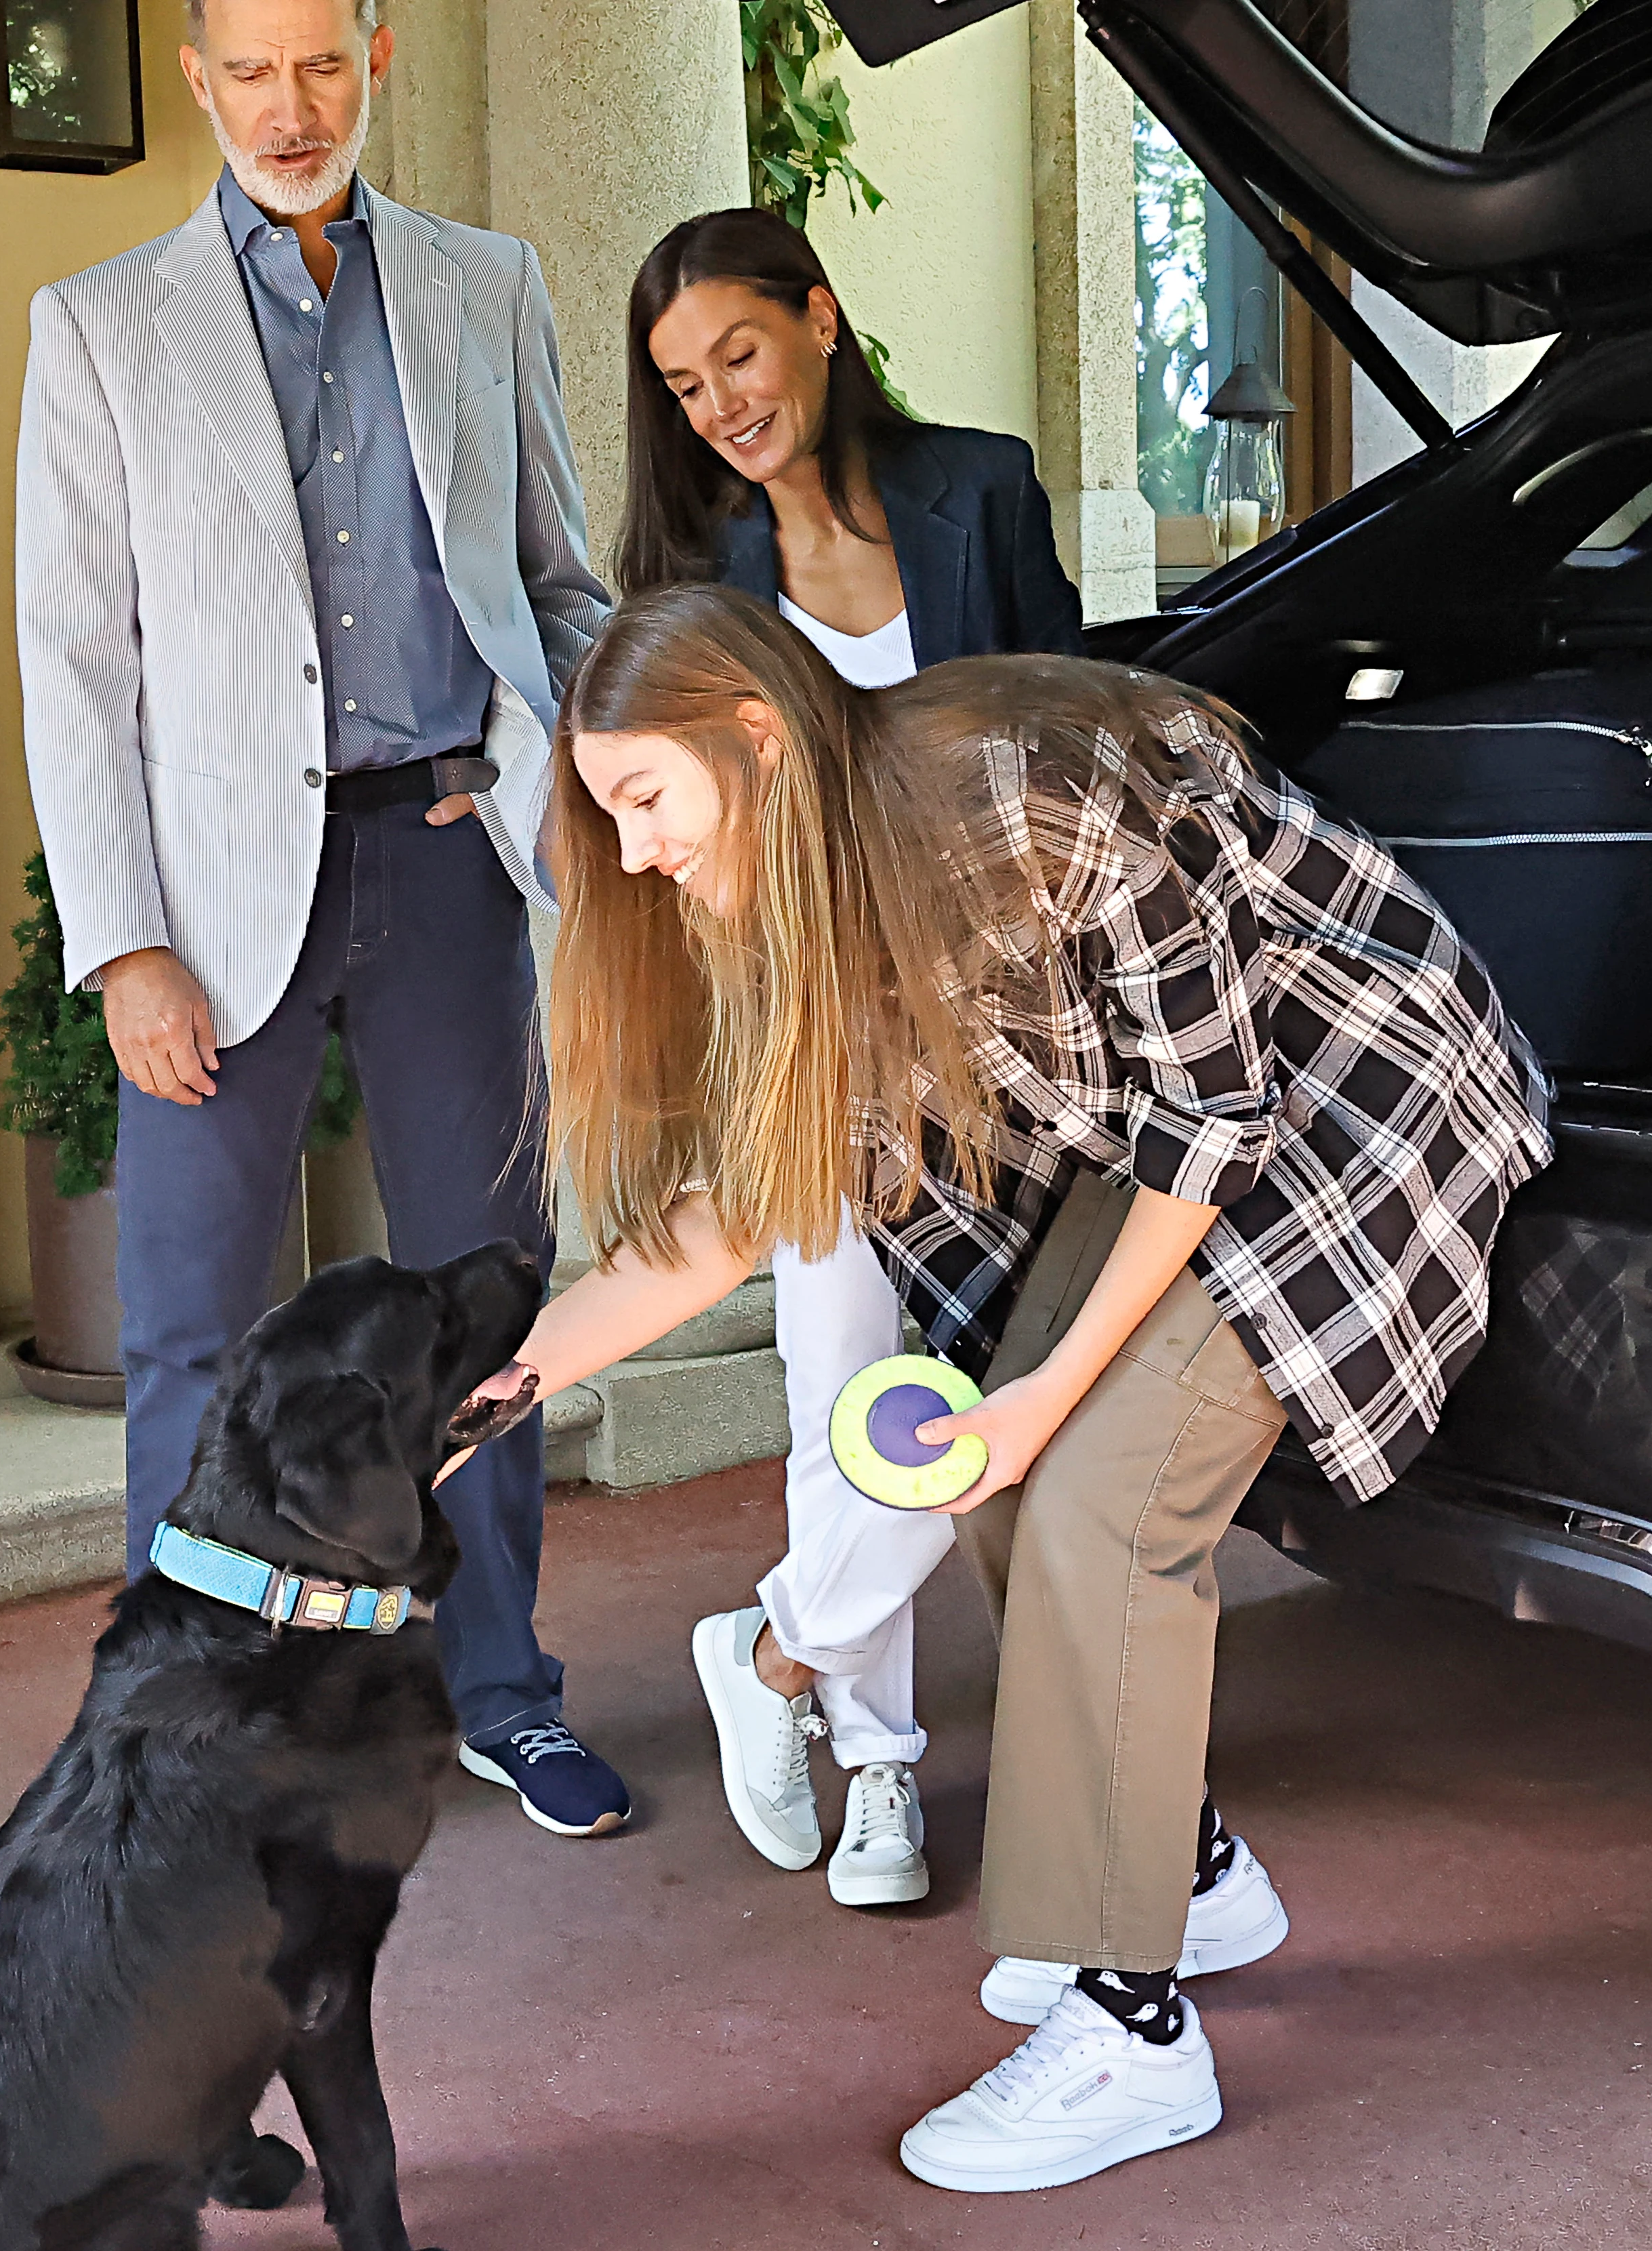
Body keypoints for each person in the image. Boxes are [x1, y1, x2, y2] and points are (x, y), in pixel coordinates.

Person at [466, 584, 1549, 2191]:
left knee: (1102, 1499)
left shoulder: (1022, 798)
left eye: (643, 799)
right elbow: (737, 1207)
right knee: (980, 1457)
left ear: (753, 738)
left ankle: (1134, 2036)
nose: (629, 853)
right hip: (1171, 1141)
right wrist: (498, 1386)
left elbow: (1216, 1113)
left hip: (1349, 1097)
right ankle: (1179, 1871)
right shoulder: (774, 885)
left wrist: (1050, 1403)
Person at [13, 0, 628, 1836]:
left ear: (377, 62)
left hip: (444, 859)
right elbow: (73, 668)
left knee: (490, 1307)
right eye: (253, 74)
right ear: (198, 80)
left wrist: (578, 799)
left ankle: (500, 1690)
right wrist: (122, 942)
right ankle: (182, 1729)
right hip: (208, 908)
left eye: (324, 70)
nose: (291, 111)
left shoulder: (482, 286)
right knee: (190, 1326)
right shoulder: (99, 327)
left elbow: (558, 583)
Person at [615, 207, 1088, 1914]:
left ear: (819, 318)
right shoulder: (699, 589)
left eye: (739, 352)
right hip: (814, 1033)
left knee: (990, 1398)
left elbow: (1073, 722)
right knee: (849, 1406)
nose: (721, 402)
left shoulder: (984, 490)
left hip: (1016, 1036)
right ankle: (882, 1768)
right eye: (683, 384)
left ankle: (773, 1655)